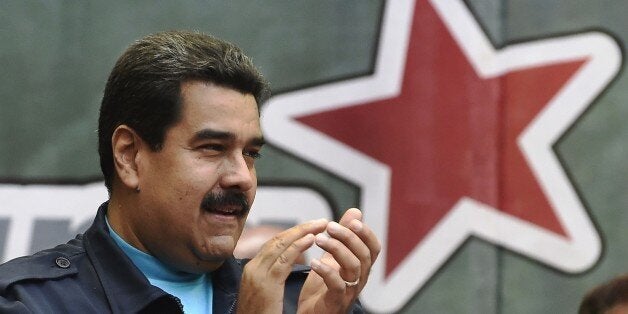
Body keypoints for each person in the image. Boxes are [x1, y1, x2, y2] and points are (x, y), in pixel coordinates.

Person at [0, 30, 380, 313]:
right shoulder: (30, 303)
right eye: (212, 148)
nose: (242, 178)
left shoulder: (305, 300)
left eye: (250, 153)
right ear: (130, 157)